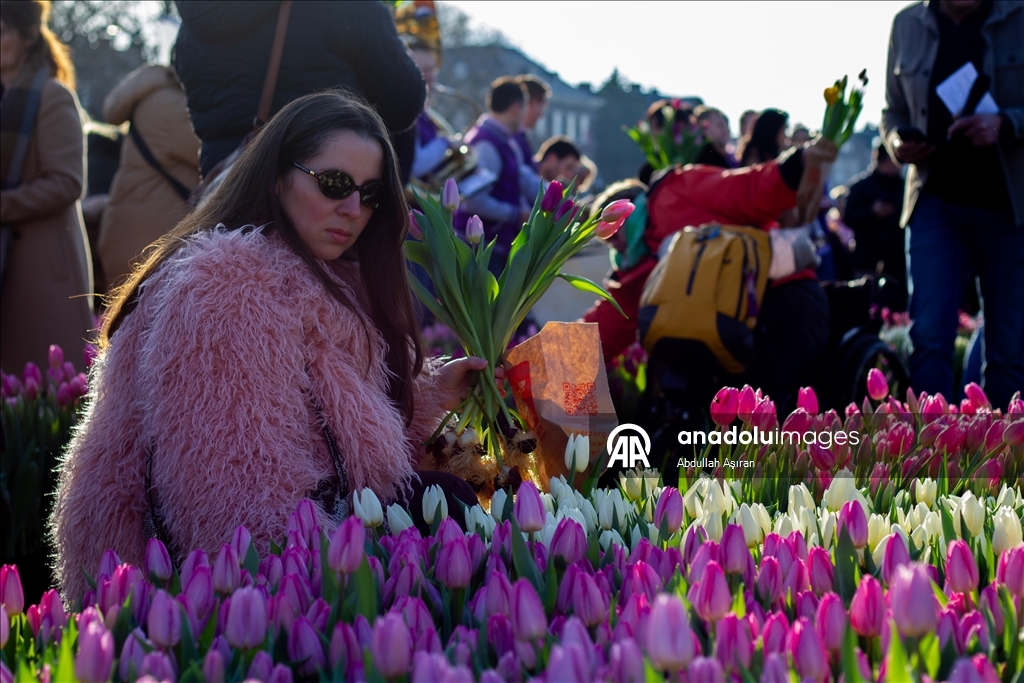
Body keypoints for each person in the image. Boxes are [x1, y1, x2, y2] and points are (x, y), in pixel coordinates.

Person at [50, 91, 498, 604]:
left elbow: (341, 442)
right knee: (446, 508)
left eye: (371, 194)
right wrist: (345, 595)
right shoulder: (224, 288)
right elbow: (233, 504)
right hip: (180, 593)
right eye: (334, 184)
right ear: (278, 175)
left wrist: (435, 393)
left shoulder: (325, 281)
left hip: (298, 542)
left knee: (448, 501)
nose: (353, 209)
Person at [584, 143, 828, 414]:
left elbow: (746, 190)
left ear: (629, 207)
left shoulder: (676, 190)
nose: (612, 241)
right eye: (604, 239)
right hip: (725, 331)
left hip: (782, 296)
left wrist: (794, 165)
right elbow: (604, 327)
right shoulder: (635, 271)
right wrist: (546, 366)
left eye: (611, 226)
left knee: (761, 396)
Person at [881, 0, 1023, 408]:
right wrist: (897, 144)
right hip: (934, 202)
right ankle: (928, 462)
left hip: (1009, 208)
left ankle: (1003, 464)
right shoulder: (907, 24)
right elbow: (892, 112)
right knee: (928, 337)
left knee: (1009, 350)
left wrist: (1006, 123)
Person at [172, 0, 425, 180]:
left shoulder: (189, 30)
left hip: (229, 199)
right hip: (324, 195)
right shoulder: (340, 7)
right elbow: (403, 105)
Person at [0, 0, 93, 372]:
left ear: (25, 37)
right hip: (9, 260)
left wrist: (3, 205)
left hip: (39, 267)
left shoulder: (52, 96)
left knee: (43, 399)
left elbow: (67, 182)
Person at [97, 63, 201, 291]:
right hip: (151, 246)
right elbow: (218, 156)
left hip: (126, 233)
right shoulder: (176, 108)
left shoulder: (152, 95)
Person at [456, 77, 531, 267]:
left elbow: (521, 179)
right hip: (480, 249)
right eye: (524, 108)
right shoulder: (486, 144)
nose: (524, 116)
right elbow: (474, 201)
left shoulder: (504, 140)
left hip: (491, 245)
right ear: (515, 108)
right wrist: (517, 214)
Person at [843, 143, 906, 290]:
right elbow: (849, 218)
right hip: (866, 260)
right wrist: (872, 213)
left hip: (897, 262)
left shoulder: (903, 187)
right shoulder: (860, 187)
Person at [513, 74, 551, 171]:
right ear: (532, 102)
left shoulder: (521, 138)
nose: (541, 115)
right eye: (541, 106)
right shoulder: (513, 139)